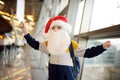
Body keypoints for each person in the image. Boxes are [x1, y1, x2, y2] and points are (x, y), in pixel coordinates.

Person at [19, 15, 111, 80]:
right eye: (53, 28)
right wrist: (25, 30)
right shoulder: (48, 44)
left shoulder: (71, 45)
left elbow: (88, 53)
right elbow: (34, 44)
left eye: (59, 27)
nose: (55, 30)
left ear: (64, 29)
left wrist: (102, 47)